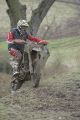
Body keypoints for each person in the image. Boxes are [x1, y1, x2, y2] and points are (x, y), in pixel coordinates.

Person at [6, 19, 48, 92]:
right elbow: (9, 40)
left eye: (25, 27)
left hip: (22, 49)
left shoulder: (25, 34)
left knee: (28, 55)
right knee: (19, 55)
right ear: (19, 26)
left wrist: (40, 41)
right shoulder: (13, 31)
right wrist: (18, 41)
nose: (24, 28)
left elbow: (32, 38)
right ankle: (15, 70)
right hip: (12, 49)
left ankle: (27, 70)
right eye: (23, 27)